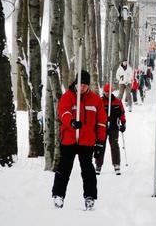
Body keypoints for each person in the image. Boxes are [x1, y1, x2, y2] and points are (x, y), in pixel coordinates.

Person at [52, 70, 107, 210]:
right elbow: (63, 112)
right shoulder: (68, 97)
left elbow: (101, 122)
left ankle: (90, 197)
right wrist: (71, 122)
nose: (82, 87)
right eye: (80, 84)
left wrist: (100, 142)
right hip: (69, 139)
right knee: (64, 168)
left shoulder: (96, 100)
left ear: (88, 86)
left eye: (84, 85)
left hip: (87, 142)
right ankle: (58, 195)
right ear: (75, 83)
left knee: (88, 170)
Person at [95, 83, 126, 176]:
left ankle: (116, 164)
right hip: (102, 127)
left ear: (112, 92)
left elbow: (122, 113)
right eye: (106, 92)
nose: (108, 93)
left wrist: (123, 123)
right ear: (104, 92)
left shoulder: (117, 101)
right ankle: (98, 165)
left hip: (114, 127)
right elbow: (95, 114)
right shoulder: (100, 101)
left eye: (109, 92)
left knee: (114, 145)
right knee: (100, 145)